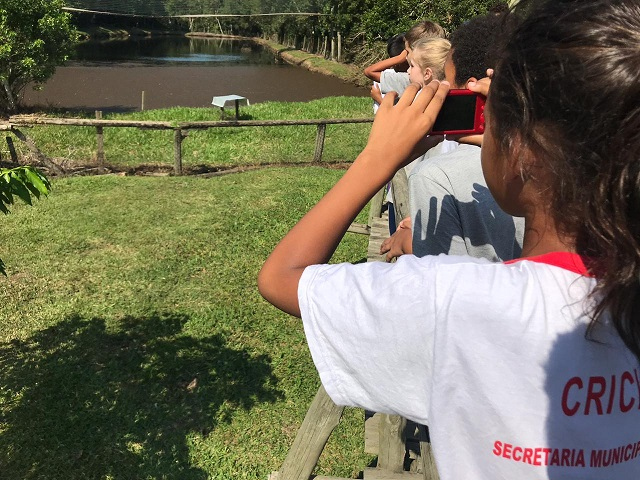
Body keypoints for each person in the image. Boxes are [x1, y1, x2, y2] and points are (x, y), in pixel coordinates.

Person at [258, 1, 640, 479]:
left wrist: (378, 158)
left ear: (519, 143)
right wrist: (516, 138)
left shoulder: (455, 301)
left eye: (488, 114)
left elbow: (280, 277)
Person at [380, 11, 524, 262]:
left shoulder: (434, 176)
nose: (442, 87)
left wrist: (409, 243)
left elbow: (442, 278)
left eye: (447, 80)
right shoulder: (567, 162)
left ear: (472, 89)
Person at [365, 20, 446, 103]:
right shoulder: (447, 82)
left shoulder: (409, 79)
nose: (406, 56)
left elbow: (369, 71)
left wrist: (400, 58)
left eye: (407, 51)